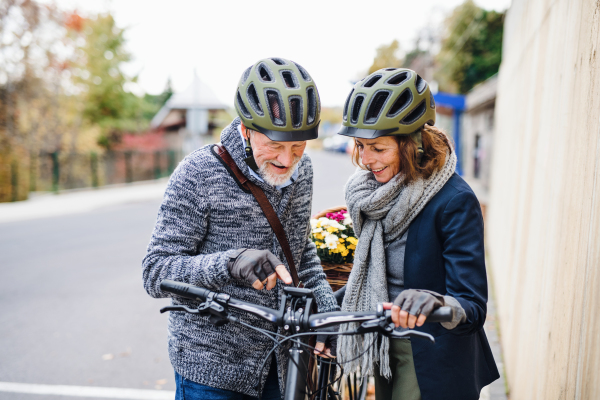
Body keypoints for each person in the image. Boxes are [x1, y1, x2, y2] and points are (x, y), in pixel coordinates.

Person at [142, 57, 338, 400]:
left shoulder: (301, 171)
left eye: (298, 146)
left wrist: (327, 312)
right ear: (246, 130)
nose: (287, 160)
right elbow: (155, 272)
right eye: (275, 145)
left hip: (283, 360)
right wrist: (229, 263)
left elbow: (300, 249)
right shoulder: (198, 173)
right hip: (211, 369)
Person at [336, 68, 500, 400]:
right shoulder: (371, 197)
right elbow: (368, 280)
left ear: (411, 144)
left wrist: (436, 300)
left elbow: (472, 305)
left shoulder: (454, 200)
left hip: (432, 355)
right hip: (383, 346)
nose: (365, 160)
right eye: (359, 146)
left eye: (378, 149)